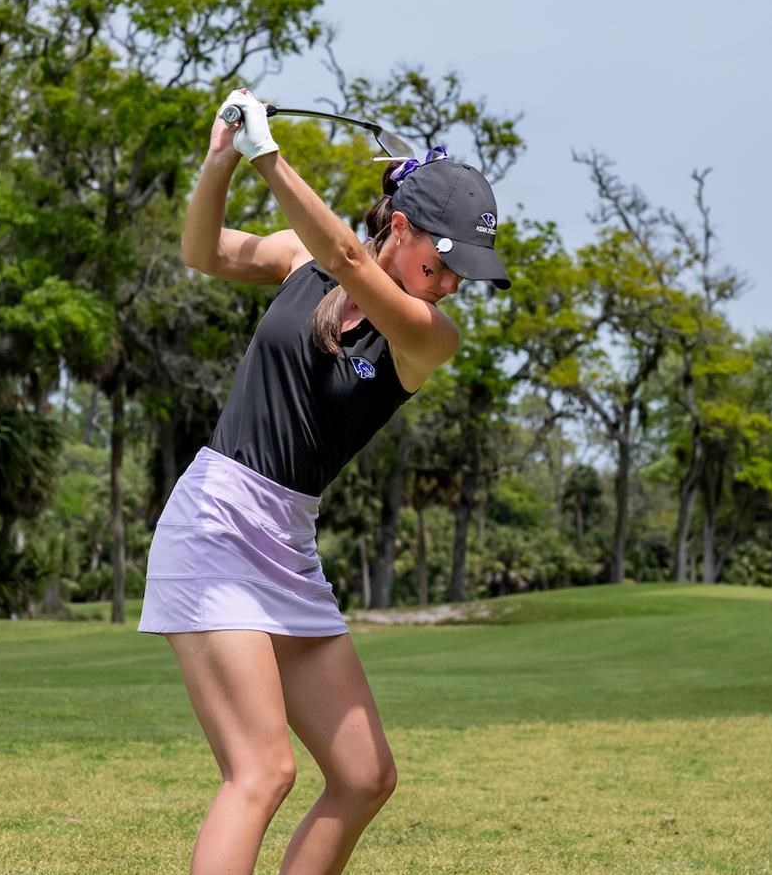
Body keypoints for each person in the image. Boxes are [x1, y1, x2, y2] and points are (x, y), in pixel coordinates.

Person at [138, 89, 510, 874]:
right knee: (263, 770)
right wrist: (222, 158)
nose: (447, 286)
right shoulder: (302, 261)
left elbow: (347, 256)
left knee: (365, 775)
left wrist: (269, 155)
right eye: (440, 265)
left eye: (460, 277)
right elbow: (203, 252)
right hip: (214, 521)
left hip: (286, 541)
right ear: (400, 227)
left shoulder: (427, 337)